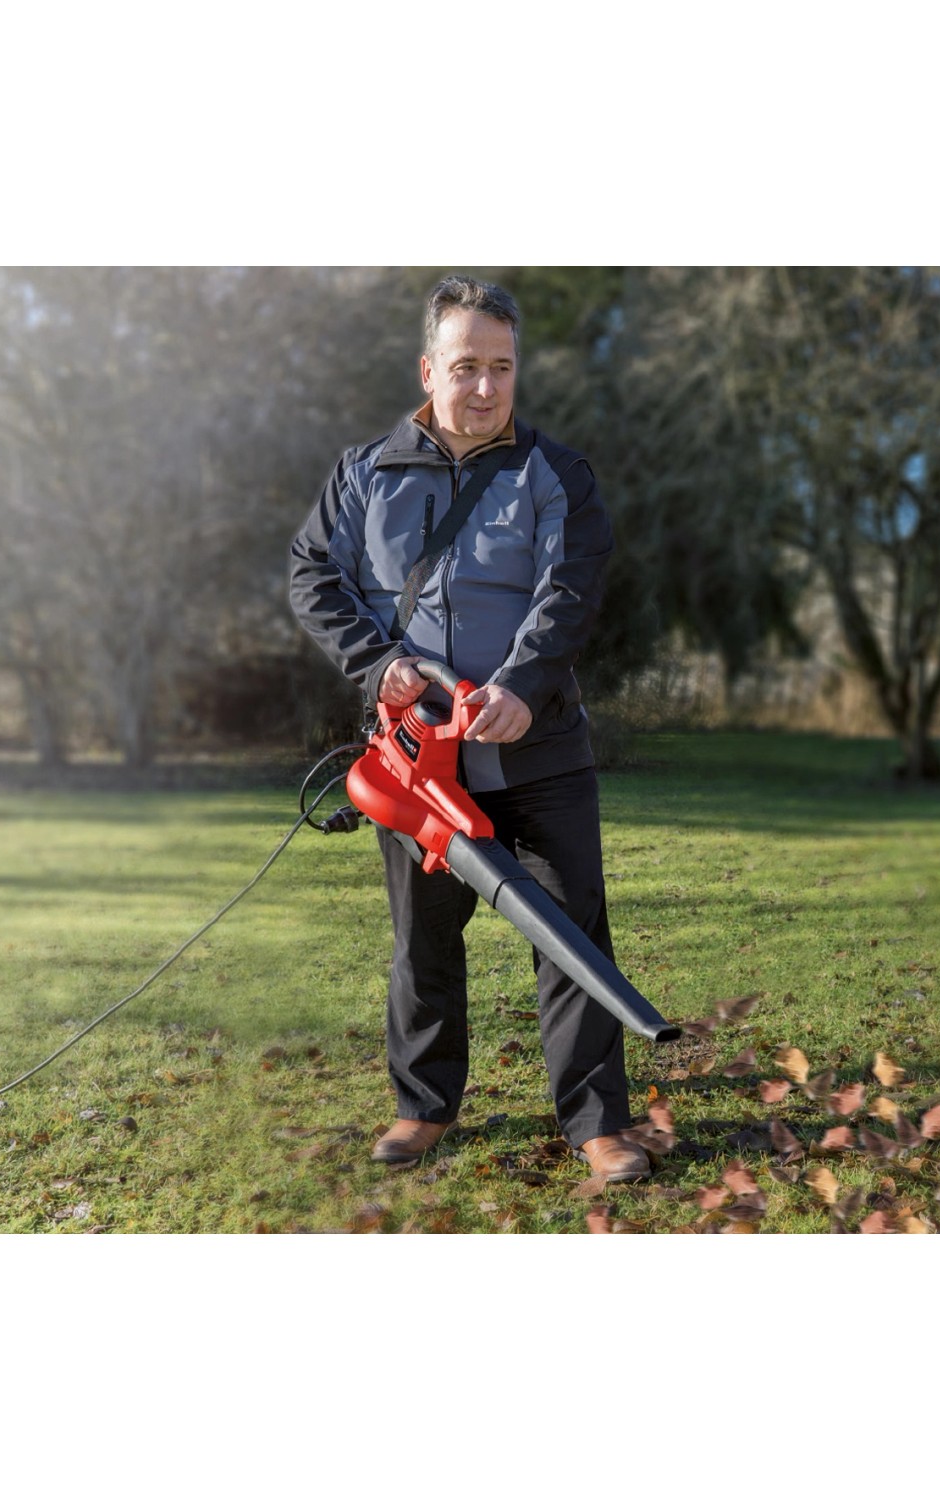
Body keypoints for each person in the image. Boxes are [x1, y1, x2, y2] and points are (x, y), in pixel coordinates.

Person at [288, 275, 649, 1182]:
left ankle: (597, 1123)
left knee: (571, 935)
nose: (486, 387)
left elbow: (570, 590)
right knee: (423, 941)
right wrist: (376, 663)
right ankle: (423, 1106)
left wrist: (523, 685)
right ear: (429, 370)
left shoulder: (556, 474)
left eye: (502, 367)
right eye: (465, 367)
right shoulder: (363, 473)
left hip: (538, 750)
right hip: (417, 763)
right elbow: (312, 575)